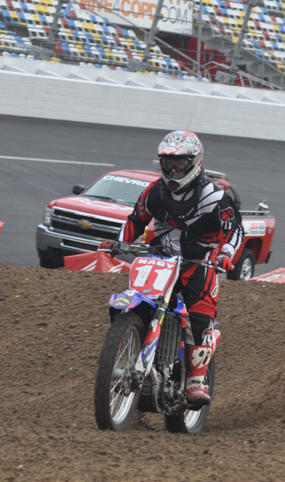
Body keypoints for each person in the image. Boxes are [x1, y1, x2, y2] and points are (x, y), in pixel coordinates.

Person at [99, 131, 244, 406]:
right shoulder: (155, 192)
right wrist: (119, 242)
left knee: (200, 316)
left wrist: (225, 254)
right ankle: (133, 343)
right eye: (168, 163)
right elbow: (136, 219)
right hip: (161, 258)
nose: (173, 170)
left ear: (195, 163)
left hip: (199, 263)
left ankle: (195, 381)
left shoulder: (214, 198)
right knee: (141, 298)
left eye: (179, 163)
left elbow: (235, 229)